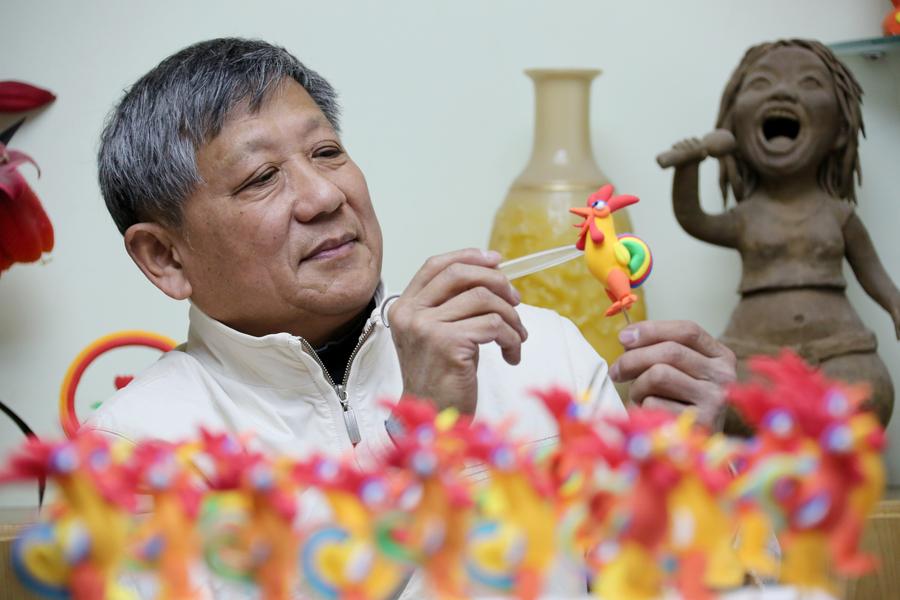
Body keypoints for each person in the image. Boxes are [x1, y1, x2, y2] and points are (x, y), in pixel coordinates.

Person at [87, 37, 736, 596]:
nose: (324, 196)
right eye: (261, 177)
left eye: (327, 152)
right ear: (165, 256)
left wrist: (681, 481)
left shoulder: (540, 350)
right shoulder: (127, 453)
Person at [661, 39, 900, 430]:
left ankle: (831, 462)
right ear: (734, 127)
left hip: (840, 349)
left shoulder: (839, 215)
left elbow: (871, 271)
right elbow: (695, 220)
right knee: (731, 400)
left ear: (840, 131)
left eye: (809, 83)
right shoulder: (746, 217)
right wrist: (688, 167)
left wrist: (894, 302)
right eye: (761, 84)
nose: (783, 91)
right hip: (755, 355)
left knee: (869, 392)